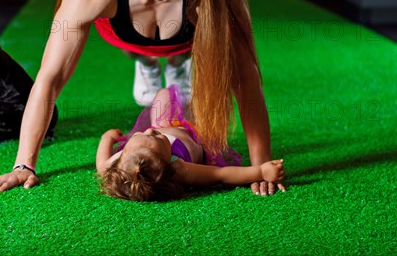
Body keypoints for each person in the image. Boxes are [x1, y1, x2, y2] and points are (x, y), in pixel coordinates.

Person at [0, 0, 282, 196]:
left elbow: (245, 79)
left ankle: (179, 60)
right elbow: (51, 78)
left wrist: (261, 166)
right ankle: (145, 60)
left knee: (201, 51)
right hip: (123, 34)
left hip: (185, 38)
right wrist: (24, 165)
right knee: (139, 52)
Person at [96, 86, 285, 201]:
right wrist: (260, 172)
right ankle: (192, 80)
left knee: (163, 95)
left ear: (126, 152)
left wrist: (107, 139)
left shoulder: (122, 164)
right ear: (168, 160)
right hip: (197, 134)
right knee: (211, 103)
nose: (148, 130)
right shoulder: (179, 169)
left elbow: (101, 167)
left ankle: (179, 73)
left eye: (140, 135)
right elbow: (221, 175)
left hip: (166, 123)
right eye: (155, 137)